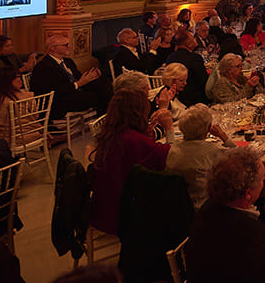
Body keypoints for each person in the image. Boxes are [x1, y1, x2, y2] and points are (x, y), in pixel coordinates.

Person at [186, 147, 265, 283]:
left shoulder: (209, 207)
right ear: (248, 193)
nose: (264, 185)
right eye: (263, 180)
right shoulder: (248, 232)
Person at [89, 89, 172, 234]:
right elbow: (170, 158)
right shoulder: (131, 140)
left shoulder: (112, 133)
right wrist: (169, 129)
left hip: (105, 206)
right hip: (124, 215)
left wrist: (147, 131)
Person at [165, 104, 235, 208]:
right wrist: (223, 136)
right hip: (203, 207)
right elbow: (240, 156)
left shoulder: (173, 148)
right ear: (208, 128)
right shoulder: (211, 150)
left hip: (174, 206)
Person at [30, 36, 107, 120]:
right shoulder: (44, 66)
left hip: (73, 91)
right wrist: (78, 84)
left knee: (102, 83)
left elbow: (79, 77)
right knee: (96, 96)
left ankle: (107, 119)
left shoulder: (68, 61)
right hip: (59, 100)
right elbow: (55, 91)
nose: (69, 47)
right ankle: (106, 120)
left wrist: (91, 76)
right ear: (53, 48)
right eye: (65, 45)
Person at [0, 65, 33, 143]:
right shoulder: (15, 100)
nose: (20, 80)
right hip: (8, 138)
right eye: (17, 77)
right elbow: (31, 119)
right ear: (6, 81)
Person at [166, 30, 210, 107]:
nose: (195, 39)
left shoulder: (170, 57)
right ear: (188, 44)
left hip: (176, 97)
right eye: (193, 38)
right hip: (195, 98)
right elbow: (203, 81)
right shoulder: (194, 58)